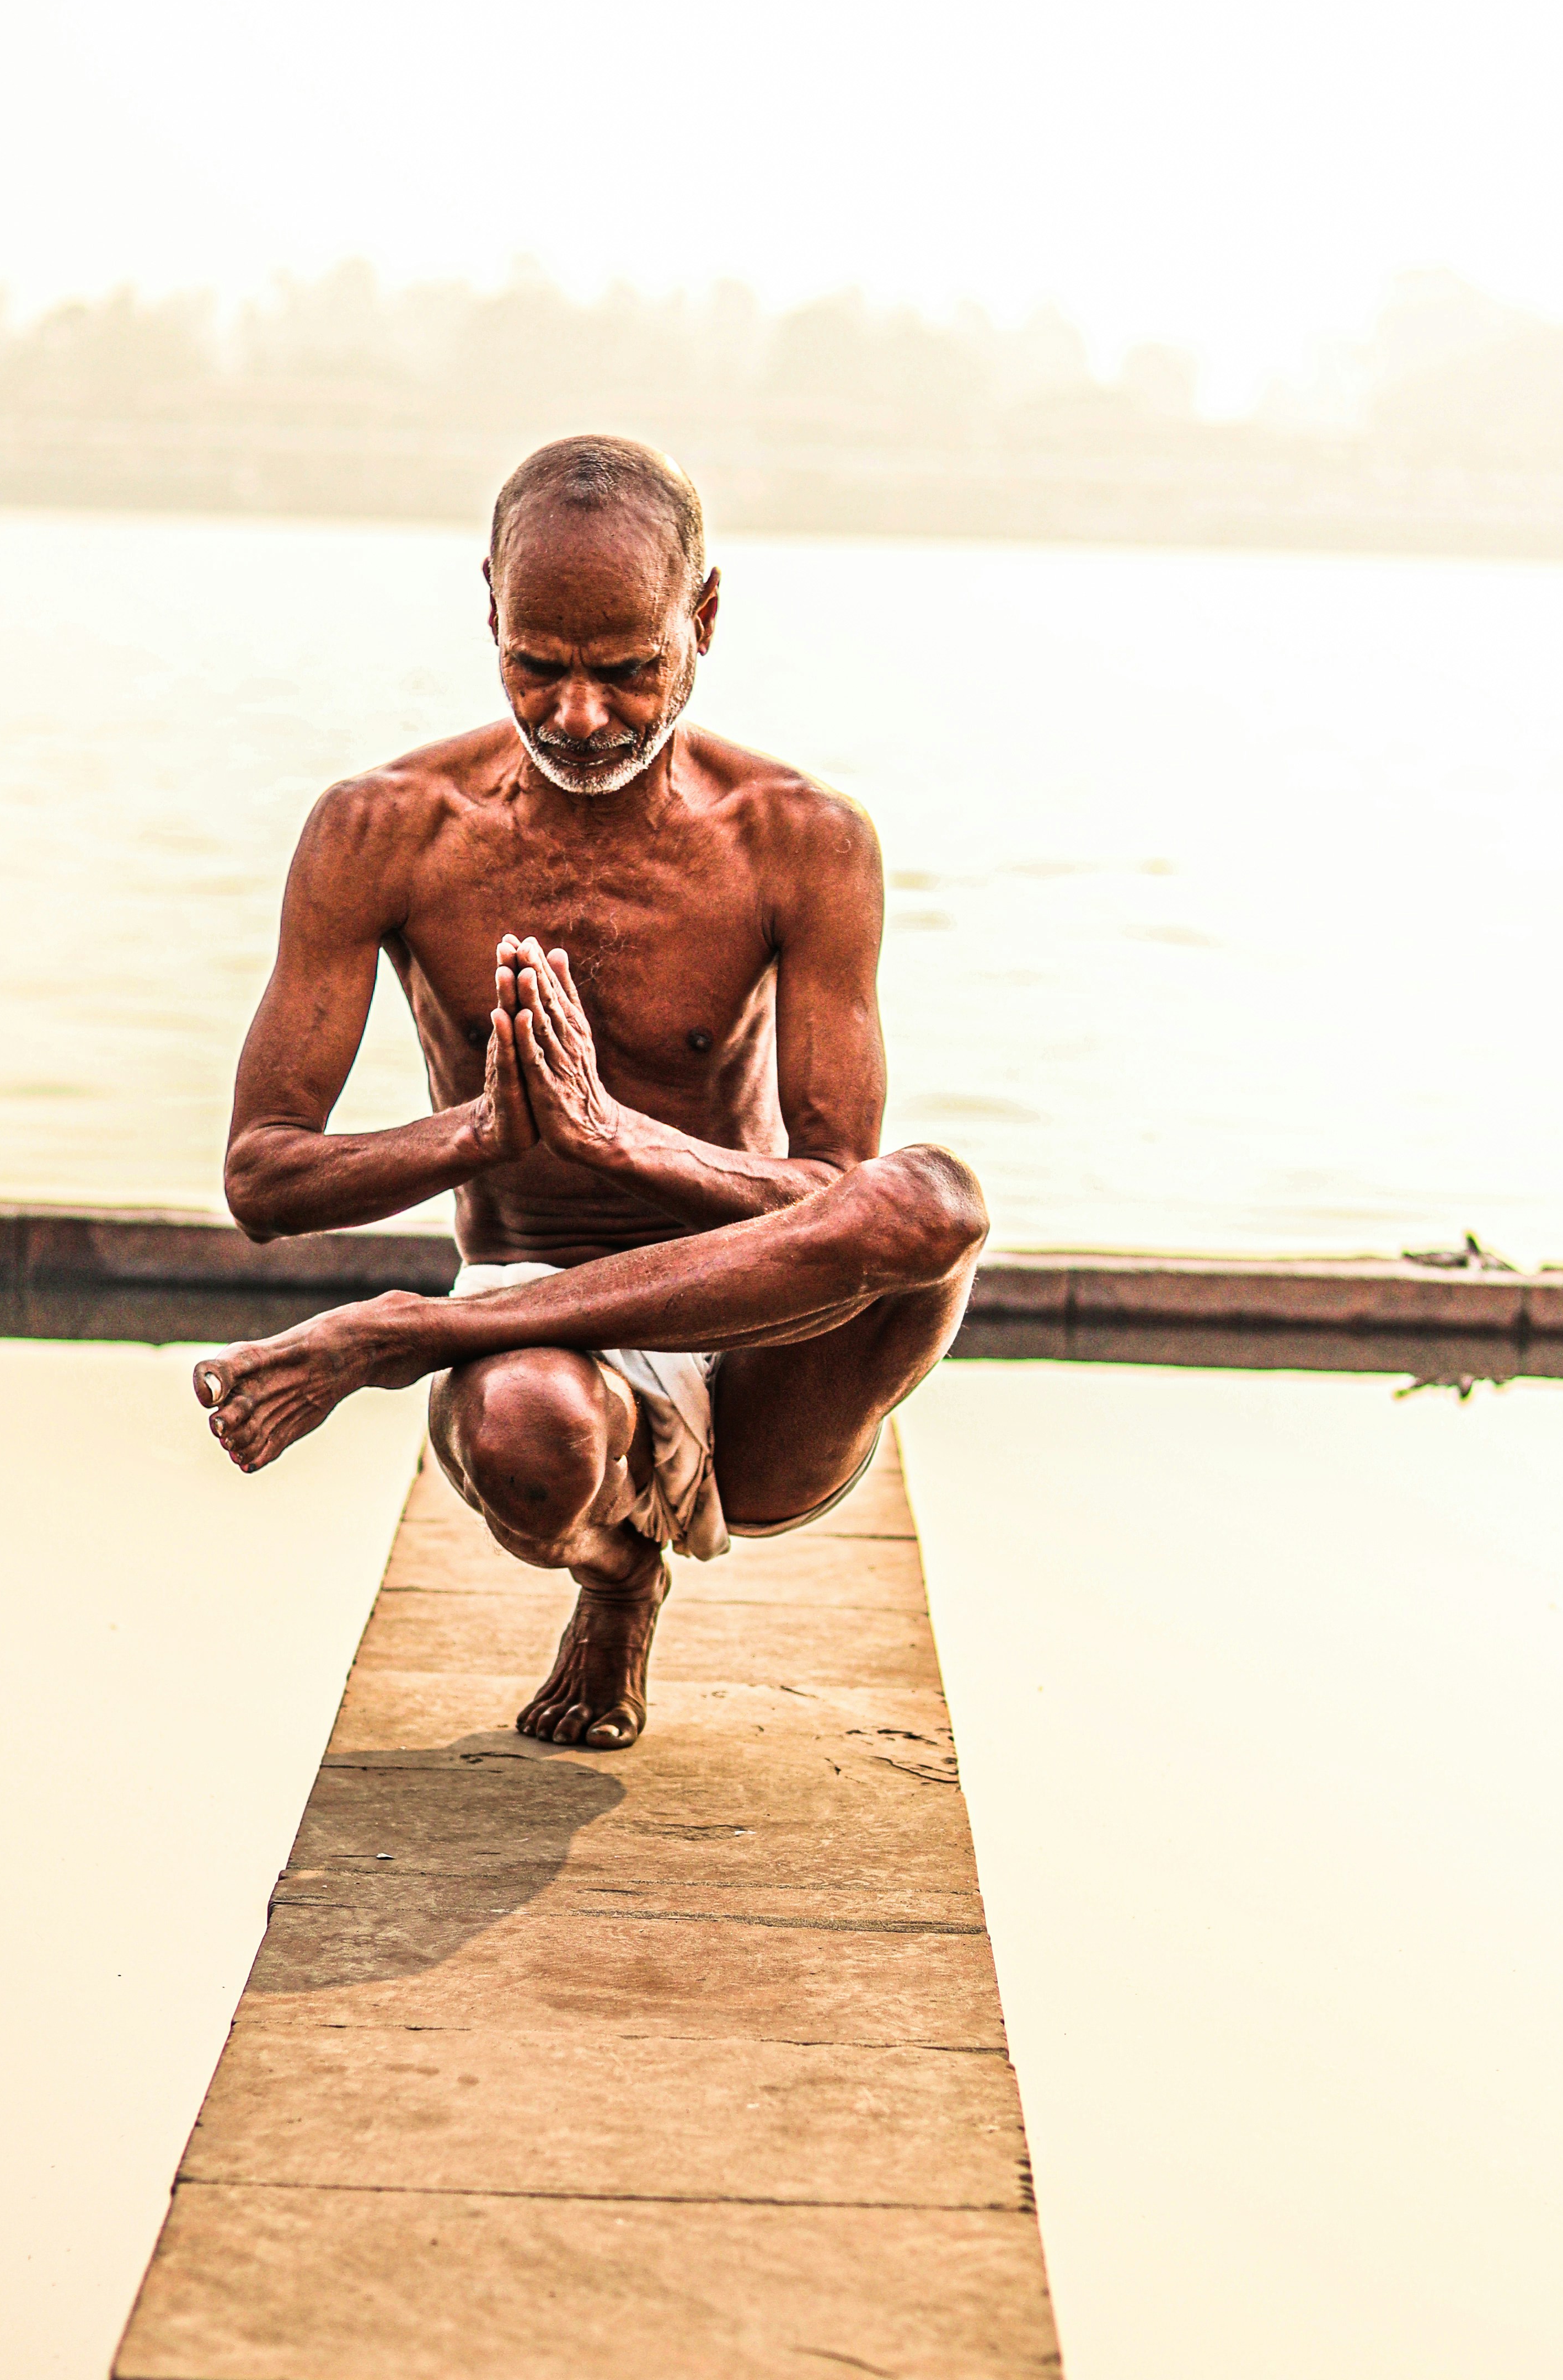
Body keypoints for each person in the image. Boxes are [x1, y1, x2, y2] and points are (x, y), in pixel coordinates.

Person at [195, 435, 986, 1749]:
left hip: (759, 1341)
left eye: (626, 672)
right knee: (529, 1431)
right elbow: (262, 1177)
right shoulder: (381, 828)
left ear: (704, 621)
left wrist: (618, 1140)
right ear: (489, 614)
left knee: (934, 1202)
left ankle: (401, 1338)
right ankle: (615, 1579)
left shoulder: (800, 840)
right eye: (536, 666)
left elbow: (833, 1199)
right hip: (526, 1333)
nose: (576, 716)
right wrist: (484, 1134)